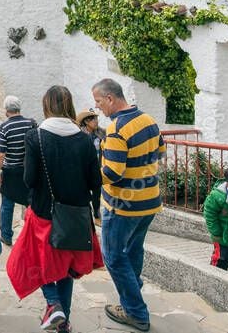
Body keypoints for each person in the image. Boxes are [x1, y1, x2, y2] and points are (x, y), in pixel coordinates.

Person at [6, 85, 103, 333]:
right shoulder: (85, 140)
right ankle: (63, 322)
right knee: (65, 270)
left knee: (33, 260)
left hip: (45, 212)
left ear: (46, 105)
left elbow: (29, 179)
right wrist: (95, 210)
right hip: (76, 215)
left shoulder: (35, 137)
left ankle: (52, 303)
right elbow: (95, 181)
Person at [92, 78, 166, 333]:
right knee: (134, 250)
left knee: (113, 257)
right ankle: (132, 294)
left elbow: (112, 173)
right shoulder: (148, 120)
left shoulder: (116, 129)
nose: (97, 107)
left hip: (122, 205)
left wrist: (90, 177)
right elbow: (161, 152)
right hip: (149, 201)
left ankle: (135, 312)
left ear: (110, 98)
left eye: (98, 102)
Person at [0, 95, 36, 246]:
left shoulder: (5, 127)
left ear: (6, 110)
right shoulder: (31, 123)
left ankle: (6, 235)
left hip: (10, 171)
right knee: (29, 203)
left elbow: (0, 155)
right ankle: (29, 235)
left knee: (7, 204)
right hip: (27, 170)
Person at [203, 166, 228, 271]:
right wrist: (217, 233)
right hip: (225, 237)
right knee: (222, 261)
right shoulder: (218, 196)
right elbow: (209, 214)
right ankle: (213, 277)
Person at [77, 108, 105, 223]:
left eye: (96, 118)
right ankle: (85, 215)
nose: (96, 121)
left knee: (97, 193)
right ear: (86, 121)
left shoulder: (101, 133)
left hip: (97, 168)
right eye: (93, 119)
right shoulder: (79, 135)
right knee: (83, 193)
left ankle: (97, 215)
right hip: (83, 169)